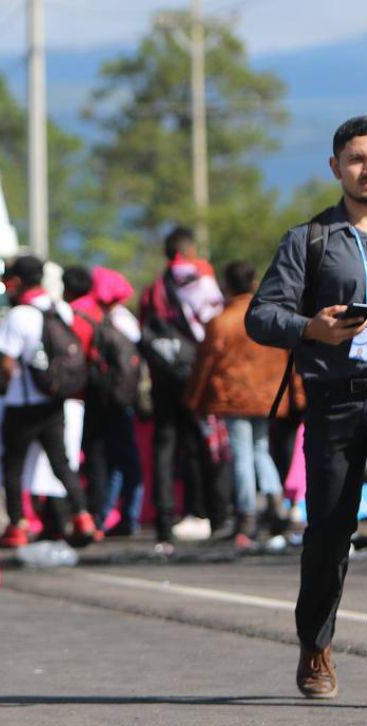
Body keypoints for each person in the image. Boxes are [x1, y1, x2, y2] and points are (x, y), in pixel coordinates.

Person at [247, 115, 367, 710]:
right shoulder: (311, 240)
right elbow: (261, 315)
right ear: (336, 167)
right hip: (333, 402)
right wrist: (311, 328)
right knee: (329, 533)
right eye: (357, 159)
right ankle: (316, 643)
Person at [186, 261, 299, 548]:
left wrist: (194, 399)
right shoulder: (268, 317)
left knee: (242, 455)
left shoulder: (221, 321)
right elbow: (289, 357)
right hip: (267, 396)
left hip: (232, 397)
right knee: (261, 449)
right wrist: (296, 395)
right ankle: (276, 504)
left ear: (227, 285)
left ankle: (246, 513)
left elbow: (205, 364)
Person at [0, 254, 99, 548]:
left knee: (12, 464)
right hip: (55, 398)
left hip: (23, 402)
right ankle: (82, 515)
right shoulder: (60, 308)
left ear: (16, 282)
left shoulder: (19, 314)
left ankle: (17, 524)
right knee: (61, 461)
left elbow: (5, 362)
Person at [139, 227, 230, 546]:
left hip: (164, 375)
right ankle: (204, 512)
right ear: (190, 250)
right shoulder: (201, 279)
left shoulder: (155, 287)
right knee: (201, 443)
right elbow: (215, 325)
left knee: (164, 445)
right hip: (196, 374)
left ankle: (164, 520)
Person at [70, 266, 145, 536]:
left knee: (113, 458)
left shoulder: (101, 316)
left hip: (108, 396)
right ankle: (121, 516)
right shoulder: (118, 317)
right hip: (120, 395)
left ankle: (114, 516)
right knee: (120, 458)